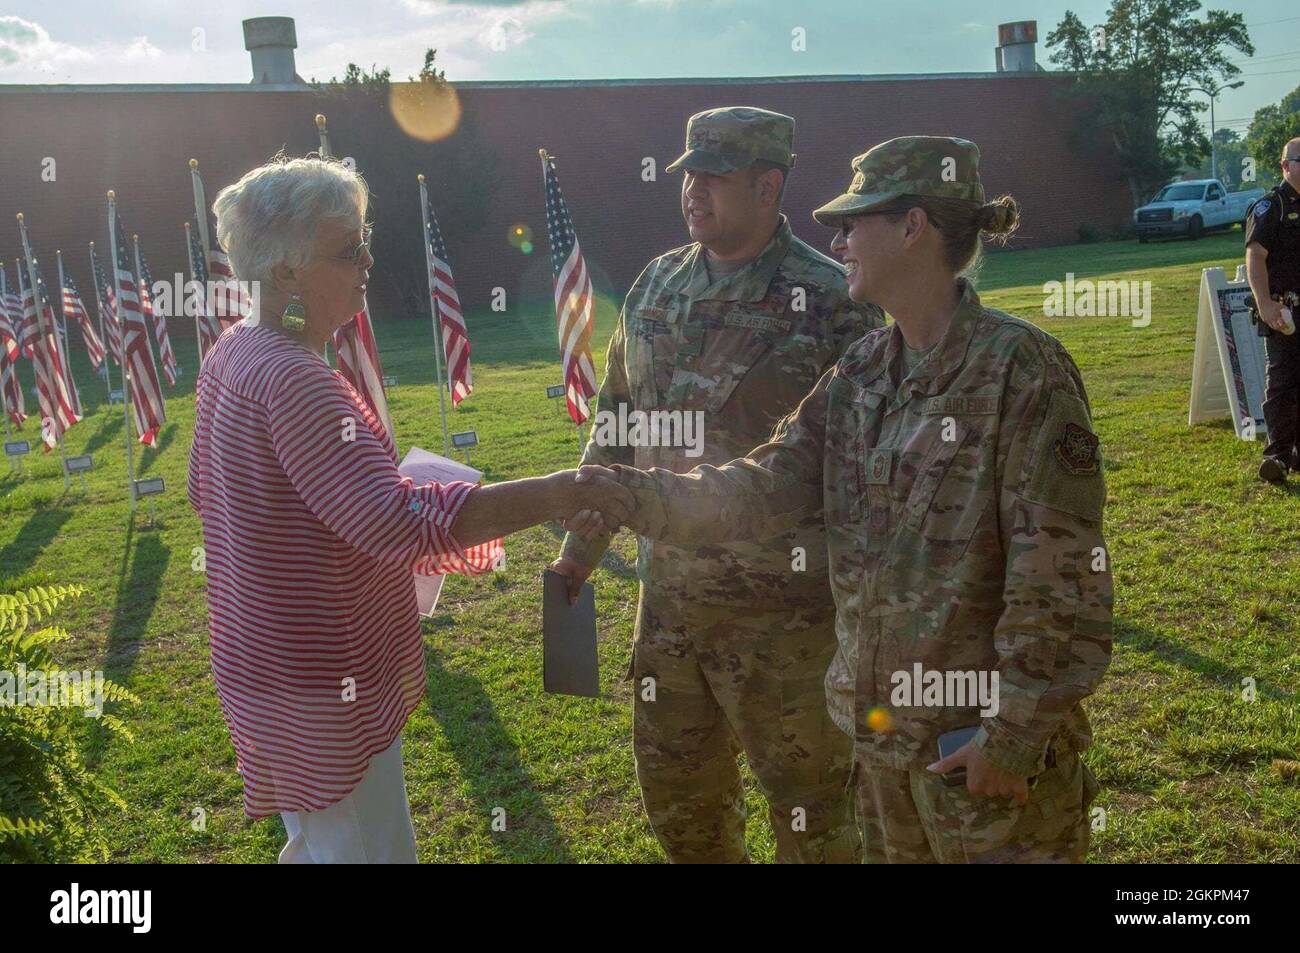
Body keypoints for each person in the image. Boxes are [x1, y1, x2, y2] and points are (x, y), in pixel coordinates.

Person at [596, 135, 1113, 862]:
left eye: (853, 222)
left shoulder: (1023, 373)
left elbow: (1060, 581)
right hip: (879, 750)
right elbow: (765, 484)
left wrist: (1015, 738)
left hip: (981, 764)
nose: (836, 240)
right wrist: (623, 492)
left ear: (913, 226)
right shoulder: (863, 369)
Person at [188, 154, 632, 864]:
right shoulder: (292, 376)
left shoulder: (234, 352)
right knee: (364, 849)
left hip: (267, 662)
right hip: (321, 670)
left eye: (365, 239)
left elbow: (205, 489)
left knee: (319, 840)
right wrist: (559, 491)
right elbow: (396, 523)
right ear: (283, 274)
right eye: (347, 249)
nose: (368, 260)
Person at [552, 106, 881, 863]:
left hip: (790, 624)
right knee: (683, 811)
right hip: (669, 612)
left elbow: (868, 470)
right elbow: (617, 426)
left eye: (715, 175)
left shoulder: (834, 300)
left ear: (769, 185)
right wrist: (580, 549)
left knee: (815, 819)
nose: (694, 189)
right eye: (688, 173)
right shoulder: (657, 285)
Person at [1244, 136, 1300, 483]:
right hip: (1285, 311)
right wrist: (1264, 303)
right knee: (1282, 382)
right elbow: (1255, 256)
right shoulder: (1271, 206)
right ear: (1285, 166)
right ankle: (1277, 456)